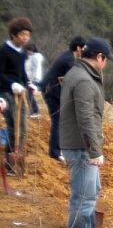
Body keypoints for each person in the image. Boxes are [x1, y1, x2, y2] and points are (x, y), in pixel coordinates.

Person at [60, 38, 113, 228]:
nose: (106, 64)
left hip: (79, 143)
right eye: (106, 59)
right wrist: (94, 150)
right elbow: (85, 119)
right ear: (99, 57)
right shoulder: (83, 79)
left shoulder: (80, 73)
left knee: (92, 189)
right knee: (84, 194)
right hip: (80, 146)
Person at [40, 36, 86, 162]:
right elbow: (69, 81)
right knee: (58, 121)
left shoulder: (70, 57)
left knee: (61, 120)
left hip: (54, 91)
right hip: (51, 91)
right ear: (78, 48)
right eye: (84, 48)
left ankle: (58, 149)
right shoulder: (69, 60)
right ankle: (55, 152)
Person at [0, 17, 35, 176]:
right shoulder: (4, 51)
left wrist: (28, 83)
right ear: (13, 35)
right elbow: (1, 74)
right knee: (13, 126)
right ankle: (10, 164)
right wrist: (11, 84)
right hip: (5, 91)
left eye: (27, 35)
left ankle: (17, 158)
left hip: (19, 91)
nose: (25, 38)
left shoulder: (22, 52)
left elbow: (21, 72)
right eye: (22, 35)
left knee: (23, 128)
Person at [24, 43, 43, 118]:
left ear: (30, 50)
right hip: (30, 78)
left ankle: (36, 111)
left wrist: (32, 80)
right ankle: (32, 111)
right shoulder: (31, 57)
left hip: (33, 79)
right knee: (28, 95)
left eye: (27, 50)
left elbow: (35, 69)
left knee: (30, 95)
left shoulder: (35, 57)